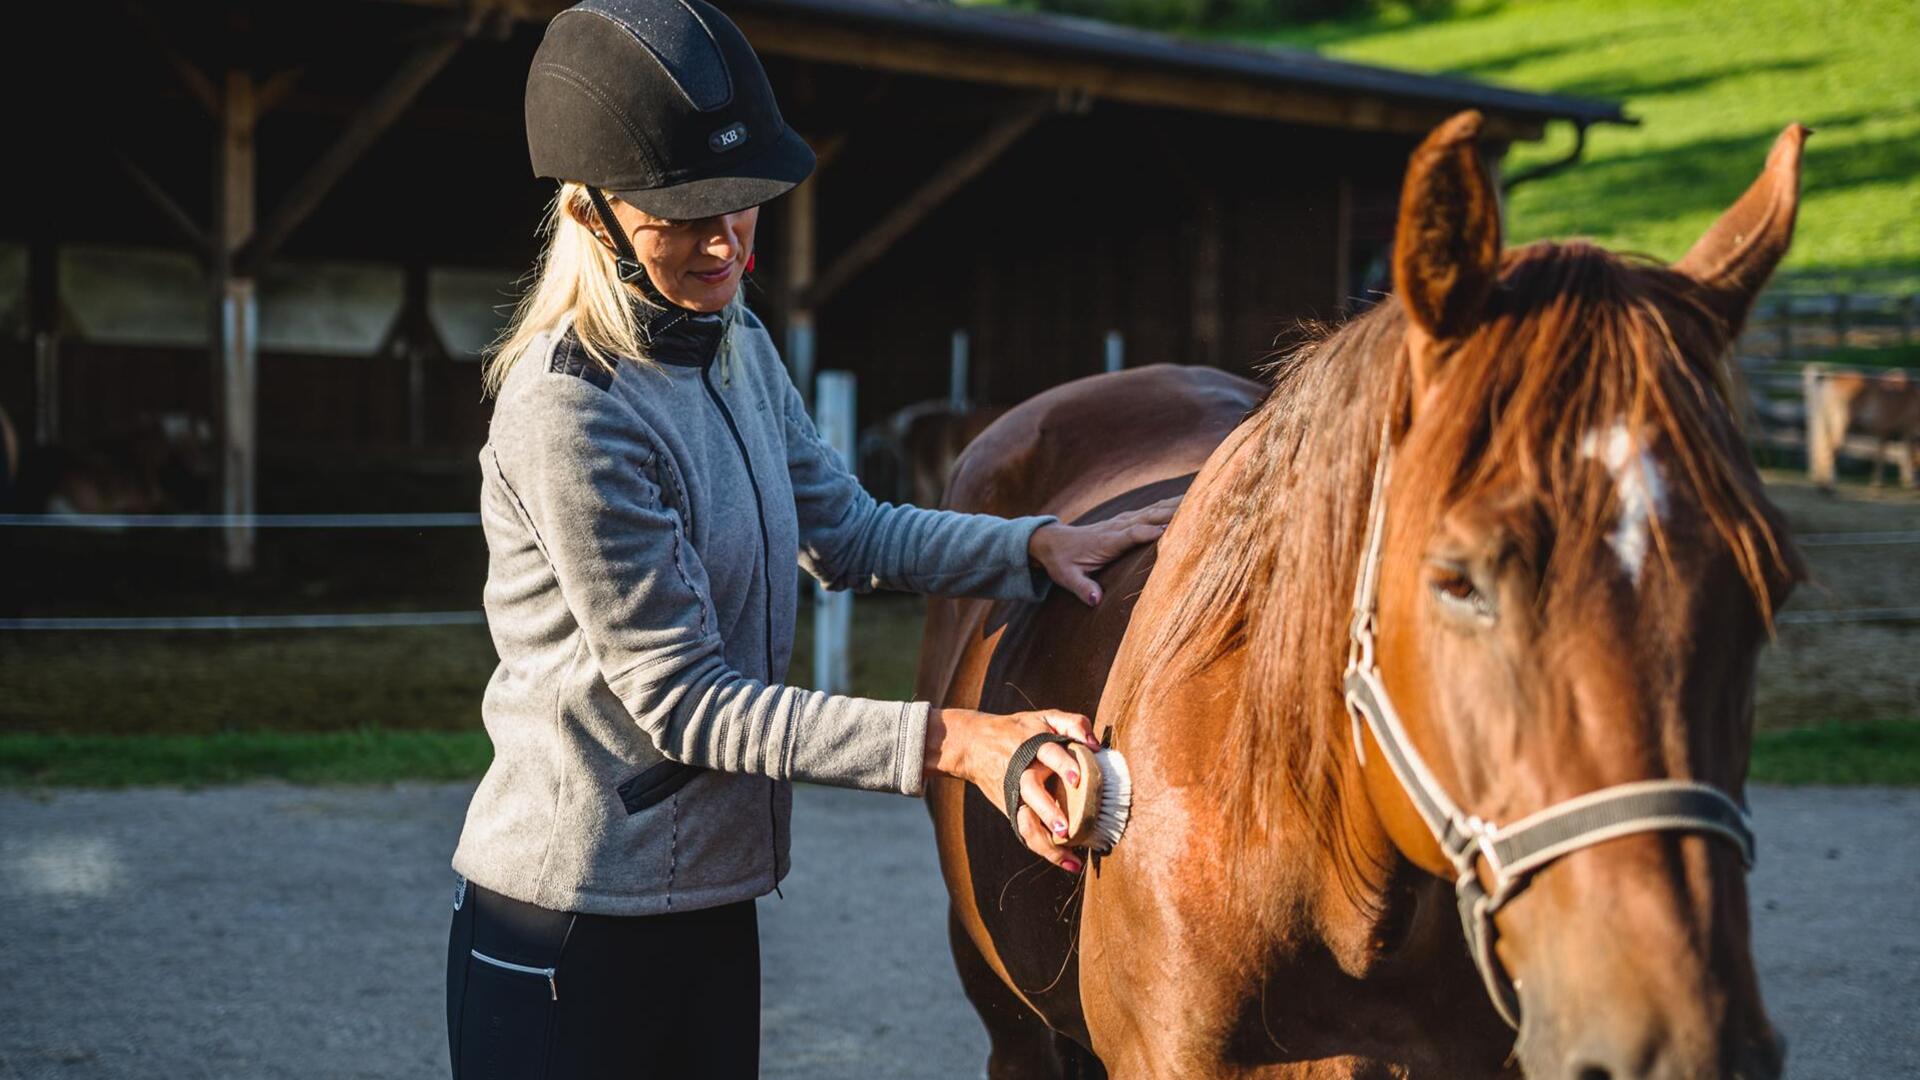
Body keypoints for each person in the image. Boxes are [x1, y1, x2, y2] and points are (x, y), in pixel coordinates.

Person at [443, 1, 1175, 1076]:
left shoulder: (730, 339)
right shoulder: (572, 412)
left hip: (709, 898)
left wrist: (1028, 549)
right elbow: (684, 703)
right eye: (682, 215)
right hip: (571, 920)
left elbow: (842, 528)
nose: (724, 240)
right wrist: (961, 743)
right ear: (592, 217)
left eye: (743, 205)